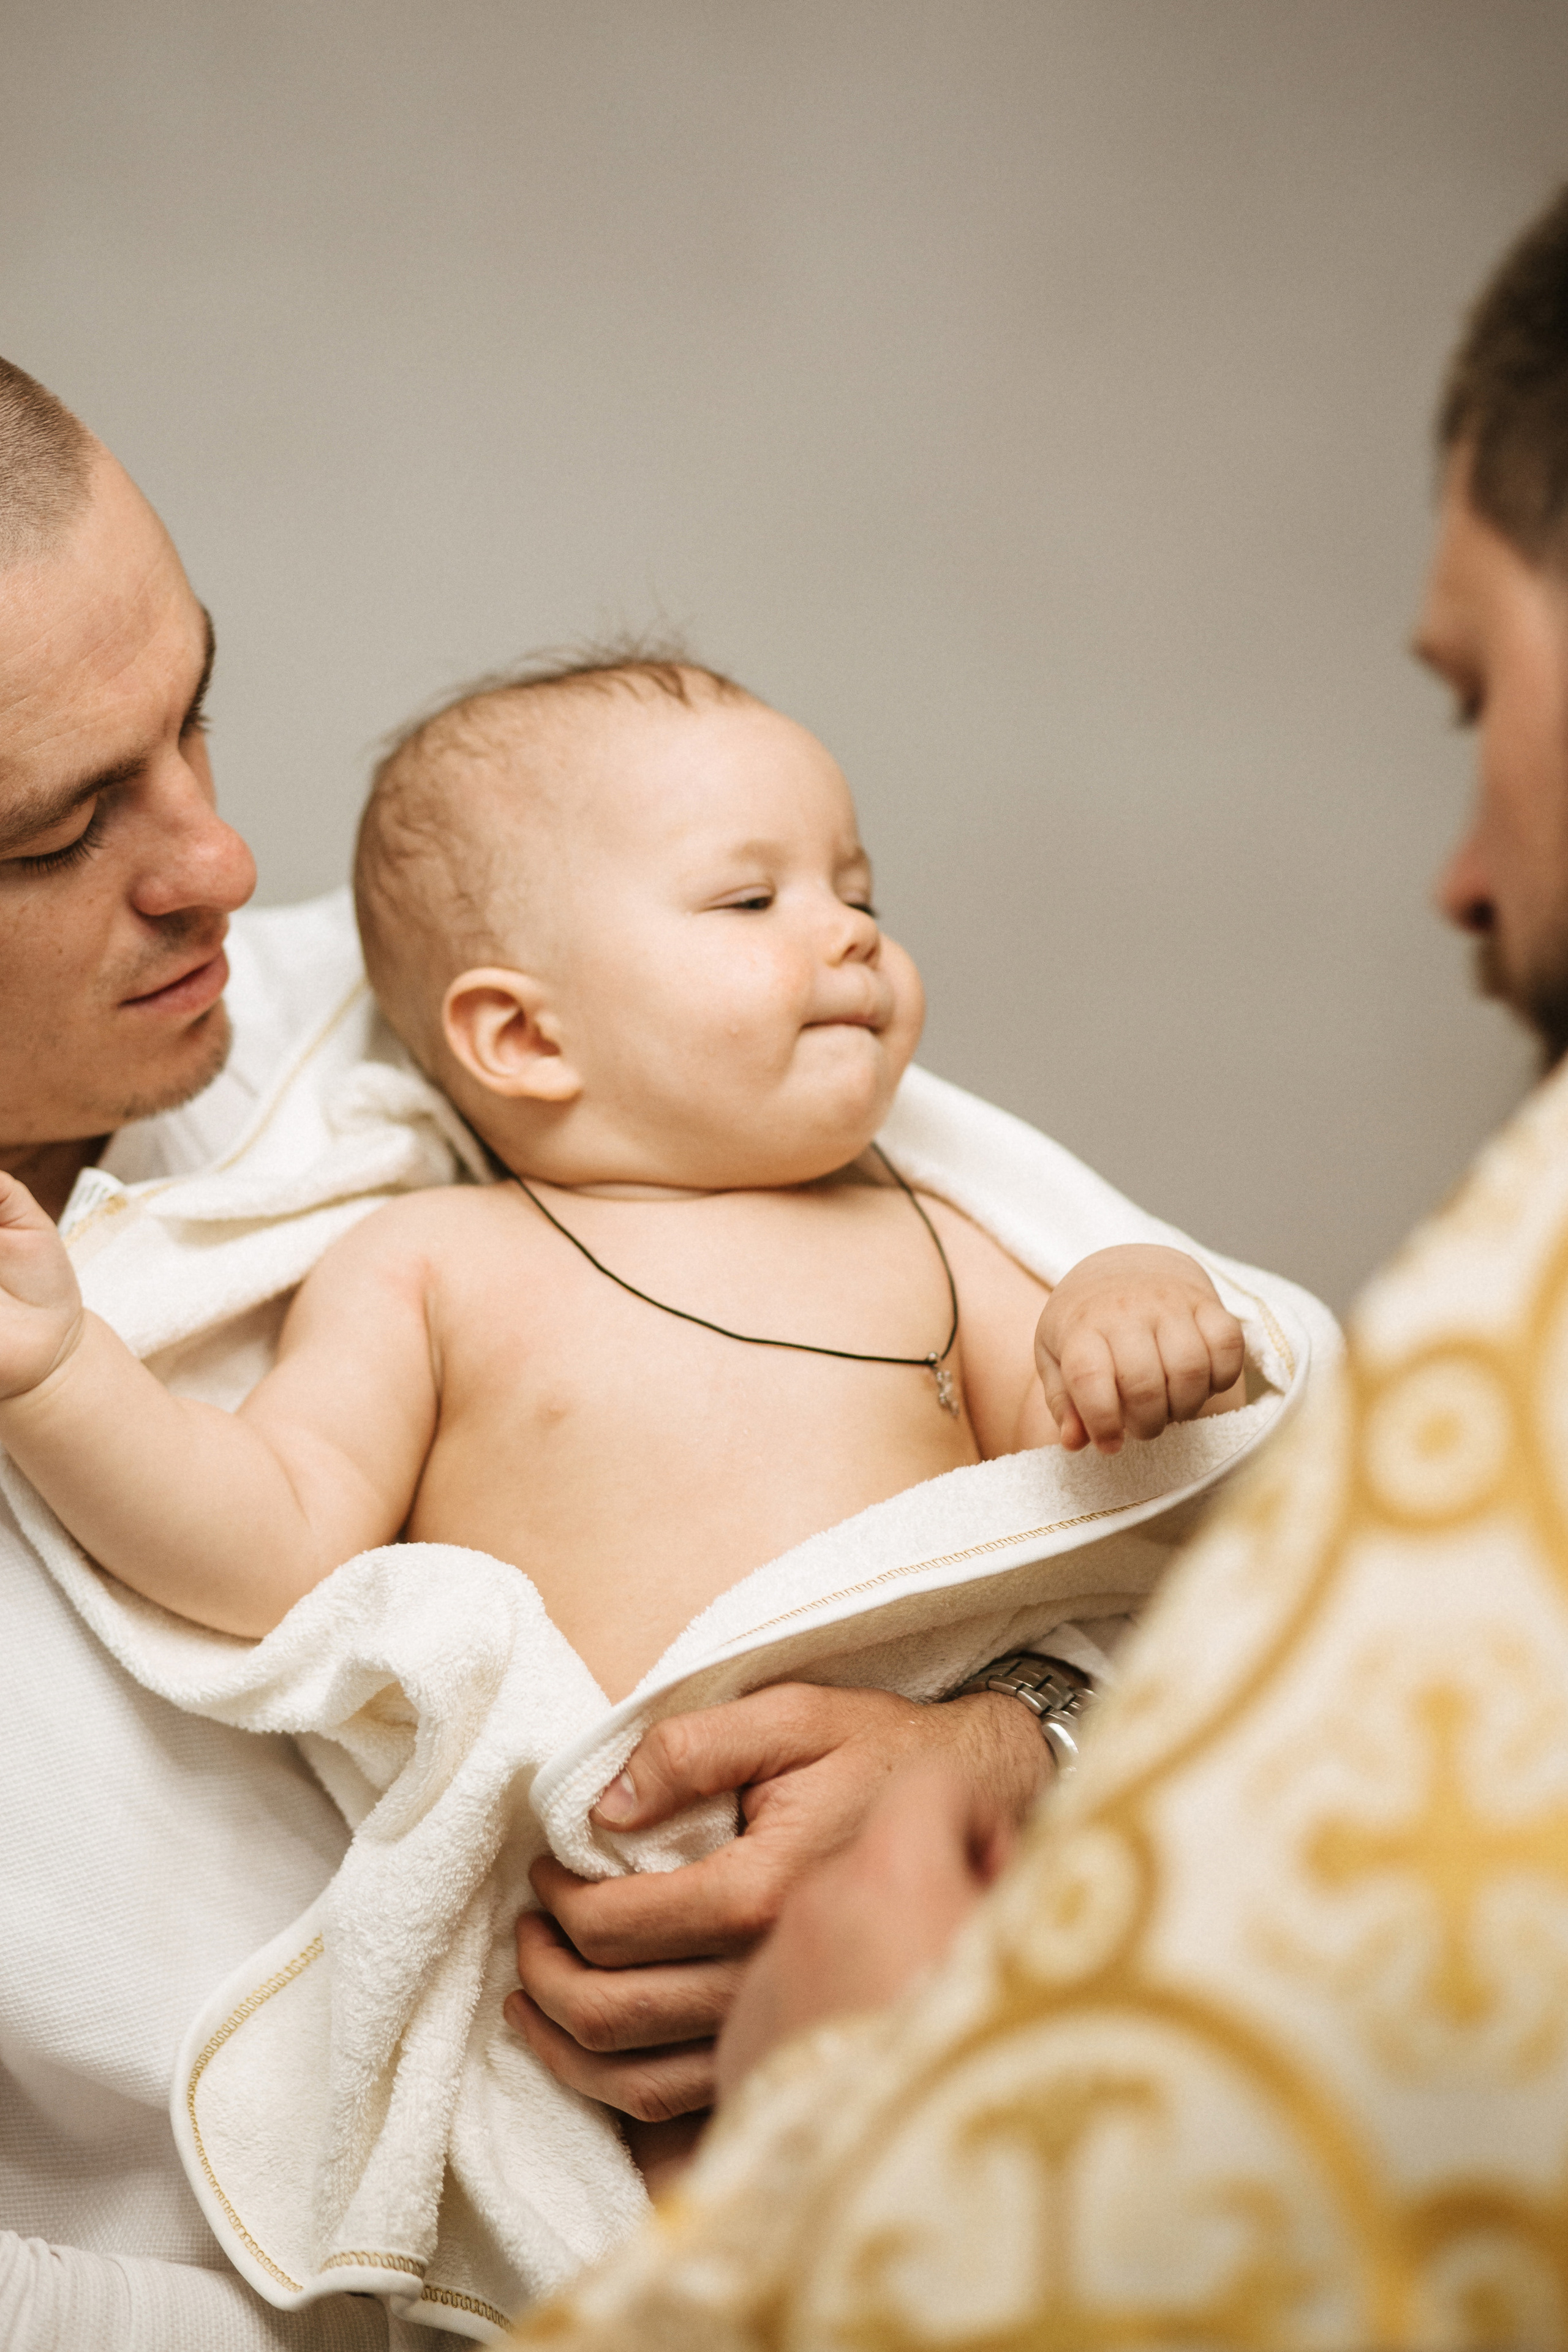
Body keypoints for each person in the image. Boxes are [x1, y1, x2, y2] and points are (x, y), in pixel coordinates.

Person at [0, 361, 1277, 2343]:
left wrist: (1017, 1747)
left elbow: (1244, 1514)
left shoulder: (652, 1077)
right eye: (63, 827)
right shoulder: (444, 1229)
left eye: (196, 718)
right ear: (518, 1035)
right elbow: (270, 1537)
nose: (223, 868)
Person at [507, 179, 1568, 2351]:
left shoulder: (931, 1219)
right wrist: (1028, 1755)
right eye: (741, 905)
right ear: (514, 1034)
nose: (1455, 877)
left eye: (1484, 698)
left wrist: (863, 2096)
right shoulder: (377, 1241)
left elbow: (1144, 1529)